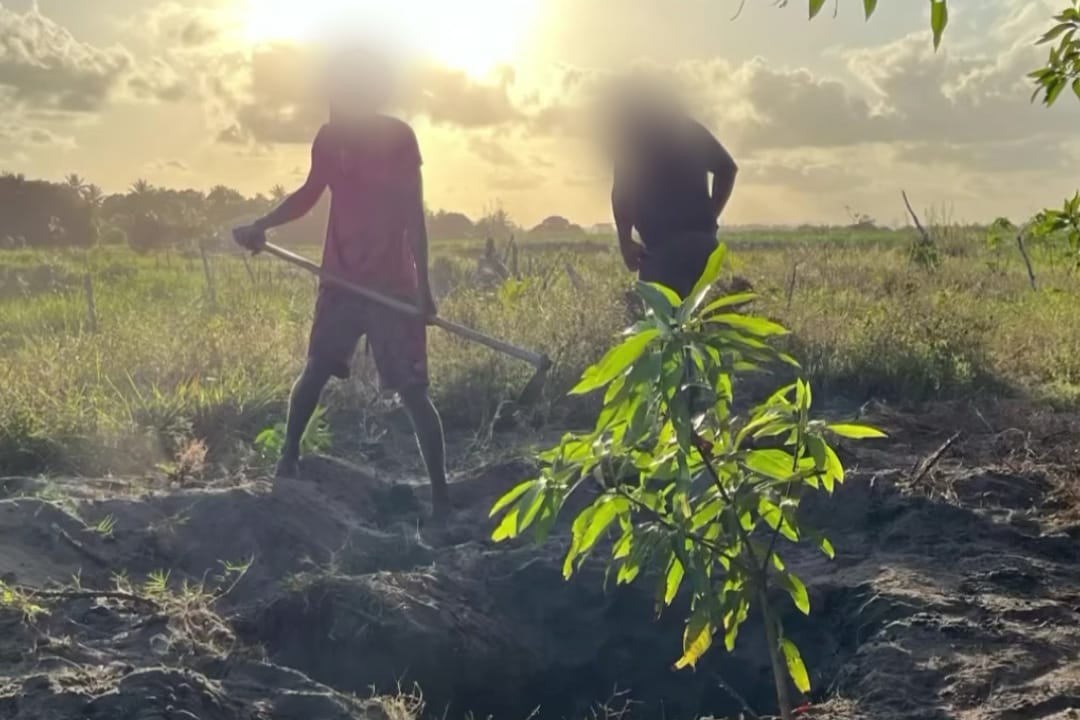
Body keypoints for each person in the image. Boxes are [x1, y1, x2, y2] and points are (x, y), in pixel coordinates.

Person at [232, 47, 450, 519]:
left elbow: (414, 214)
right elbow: (309, 194)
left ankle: (441, 498)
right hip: (341, 279)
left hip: (391, 284)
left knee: (413, 391)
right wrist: (262, 224)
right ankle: (288, 458)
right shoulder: (329, 139)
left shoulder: (398, 137)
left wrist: (424, 290)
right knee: (315, 370)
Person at [607, 80, 739, 299]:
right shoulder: (688, 129)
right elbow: (728, 169)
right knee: (704, 322)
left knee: (663, 327)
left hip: (662, 251)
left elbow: (622, 193)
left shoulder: (632, 139)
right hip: (703, 247)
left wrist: (625, 242)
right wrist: (709, 217)